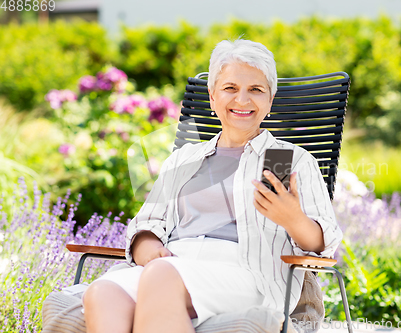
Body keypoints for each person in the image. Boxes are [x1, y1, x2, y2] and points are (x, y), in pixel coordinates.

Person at [82, 39, 343, 333]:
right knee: (103, 293)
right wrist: (150, 247)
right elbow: (147, 223)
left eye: (255, 90)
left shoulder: (283, 160)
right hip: (172, 264)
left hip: (248, 274)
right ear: (212, 96)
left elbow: (324, 245)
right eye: (230, 88)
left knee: (161, 277)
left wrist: (294, 221)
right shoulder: (185, 158)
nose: (242, 101)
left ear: (270, 100)